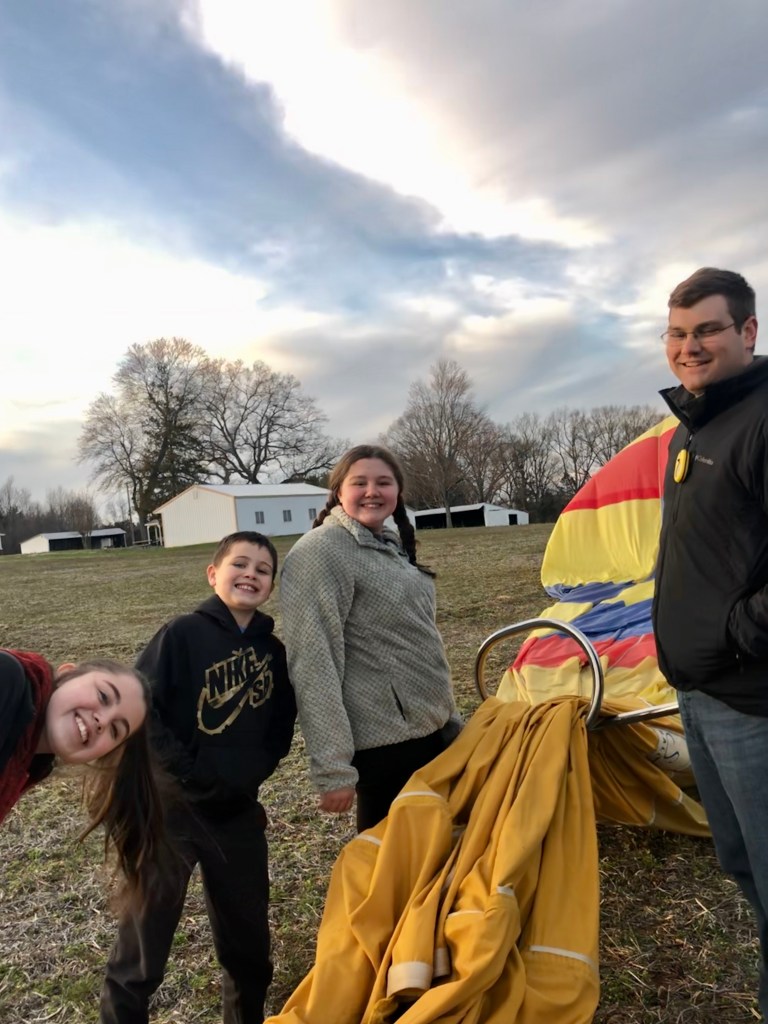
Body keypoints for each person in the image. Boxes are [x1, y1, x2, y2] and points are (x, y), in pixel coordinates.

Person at [100, 531, 296, 1024]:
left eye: (263, 569)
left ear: (271, 585)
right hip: (173, 812)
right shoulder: (182, 633)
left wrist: (252, 771)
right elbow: (141, 707)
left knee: (248, 948)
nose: (250, 574)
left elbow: (280, 725)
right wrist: (187, 773)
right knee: (142, 952)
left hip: (236, 813)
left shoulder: (273, 652)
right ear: (213, 574)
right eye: (239, 564)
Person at [652, 267, 768, 1019]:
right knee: (742, 866)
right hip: (699, 695)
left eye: (706, 331)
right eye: (676, 333)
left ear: (748, 331)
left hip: (753, 701)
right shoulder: (694, 426)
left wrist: (733, 635)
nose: (688, 347)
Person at [280, 444, 460, 833]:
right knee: (389, 857)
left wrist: (447, 715)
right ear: (338, 492)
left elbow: (417, 638)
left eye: (384, 482)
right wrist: (333, 768)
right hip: (384, 744)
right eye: (359, 482)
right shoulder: (321, 551)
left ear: (398, 492)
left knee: (435, 848)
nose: (372, 491)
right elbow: (313, 661)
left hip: (427, 729)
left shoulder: (387, 544)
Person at [0, 649, 168, 911]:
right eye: (103, 696)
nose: (103, 721)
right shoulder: (7, 679)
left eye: (115, 730)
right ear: (67, 674)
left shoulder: (30, 764)